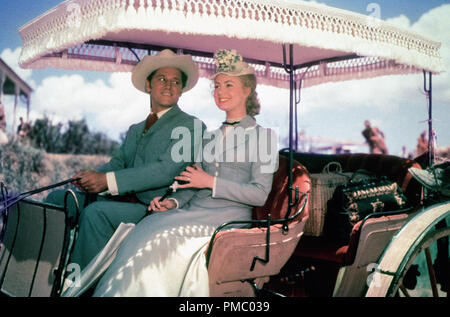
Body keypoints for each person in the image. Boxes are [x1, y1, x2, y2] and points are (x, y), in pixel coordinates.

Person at [92, 49, 278, 296]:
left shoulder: (264, 137)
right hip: (192, 211)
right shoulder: (209, 136)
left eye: (229, 85)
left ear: (247, 90)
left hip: (226, 218)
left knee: (165, 246)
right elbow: (192, 183)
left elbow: (260, 195)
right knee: (145, 230)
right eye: (217, 85)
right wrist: (172, 201)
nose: (220, 92)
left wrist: (211, 181)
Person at [46, 49, 204, 271]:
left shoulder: (191, 126)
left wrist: (107, 181)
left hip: (154, 208)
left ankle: (80, 286)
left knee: (95, 214)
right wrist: (90, 176)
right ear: (149, 86)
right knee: (58, 199)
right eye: (162, 79)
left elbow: (166, 170)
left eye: (176, 81)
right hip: (122, 201)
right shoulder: (135, 129)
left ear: (181, 91)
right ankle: (42, 272)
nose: (169, 85)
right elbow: (117, 164)